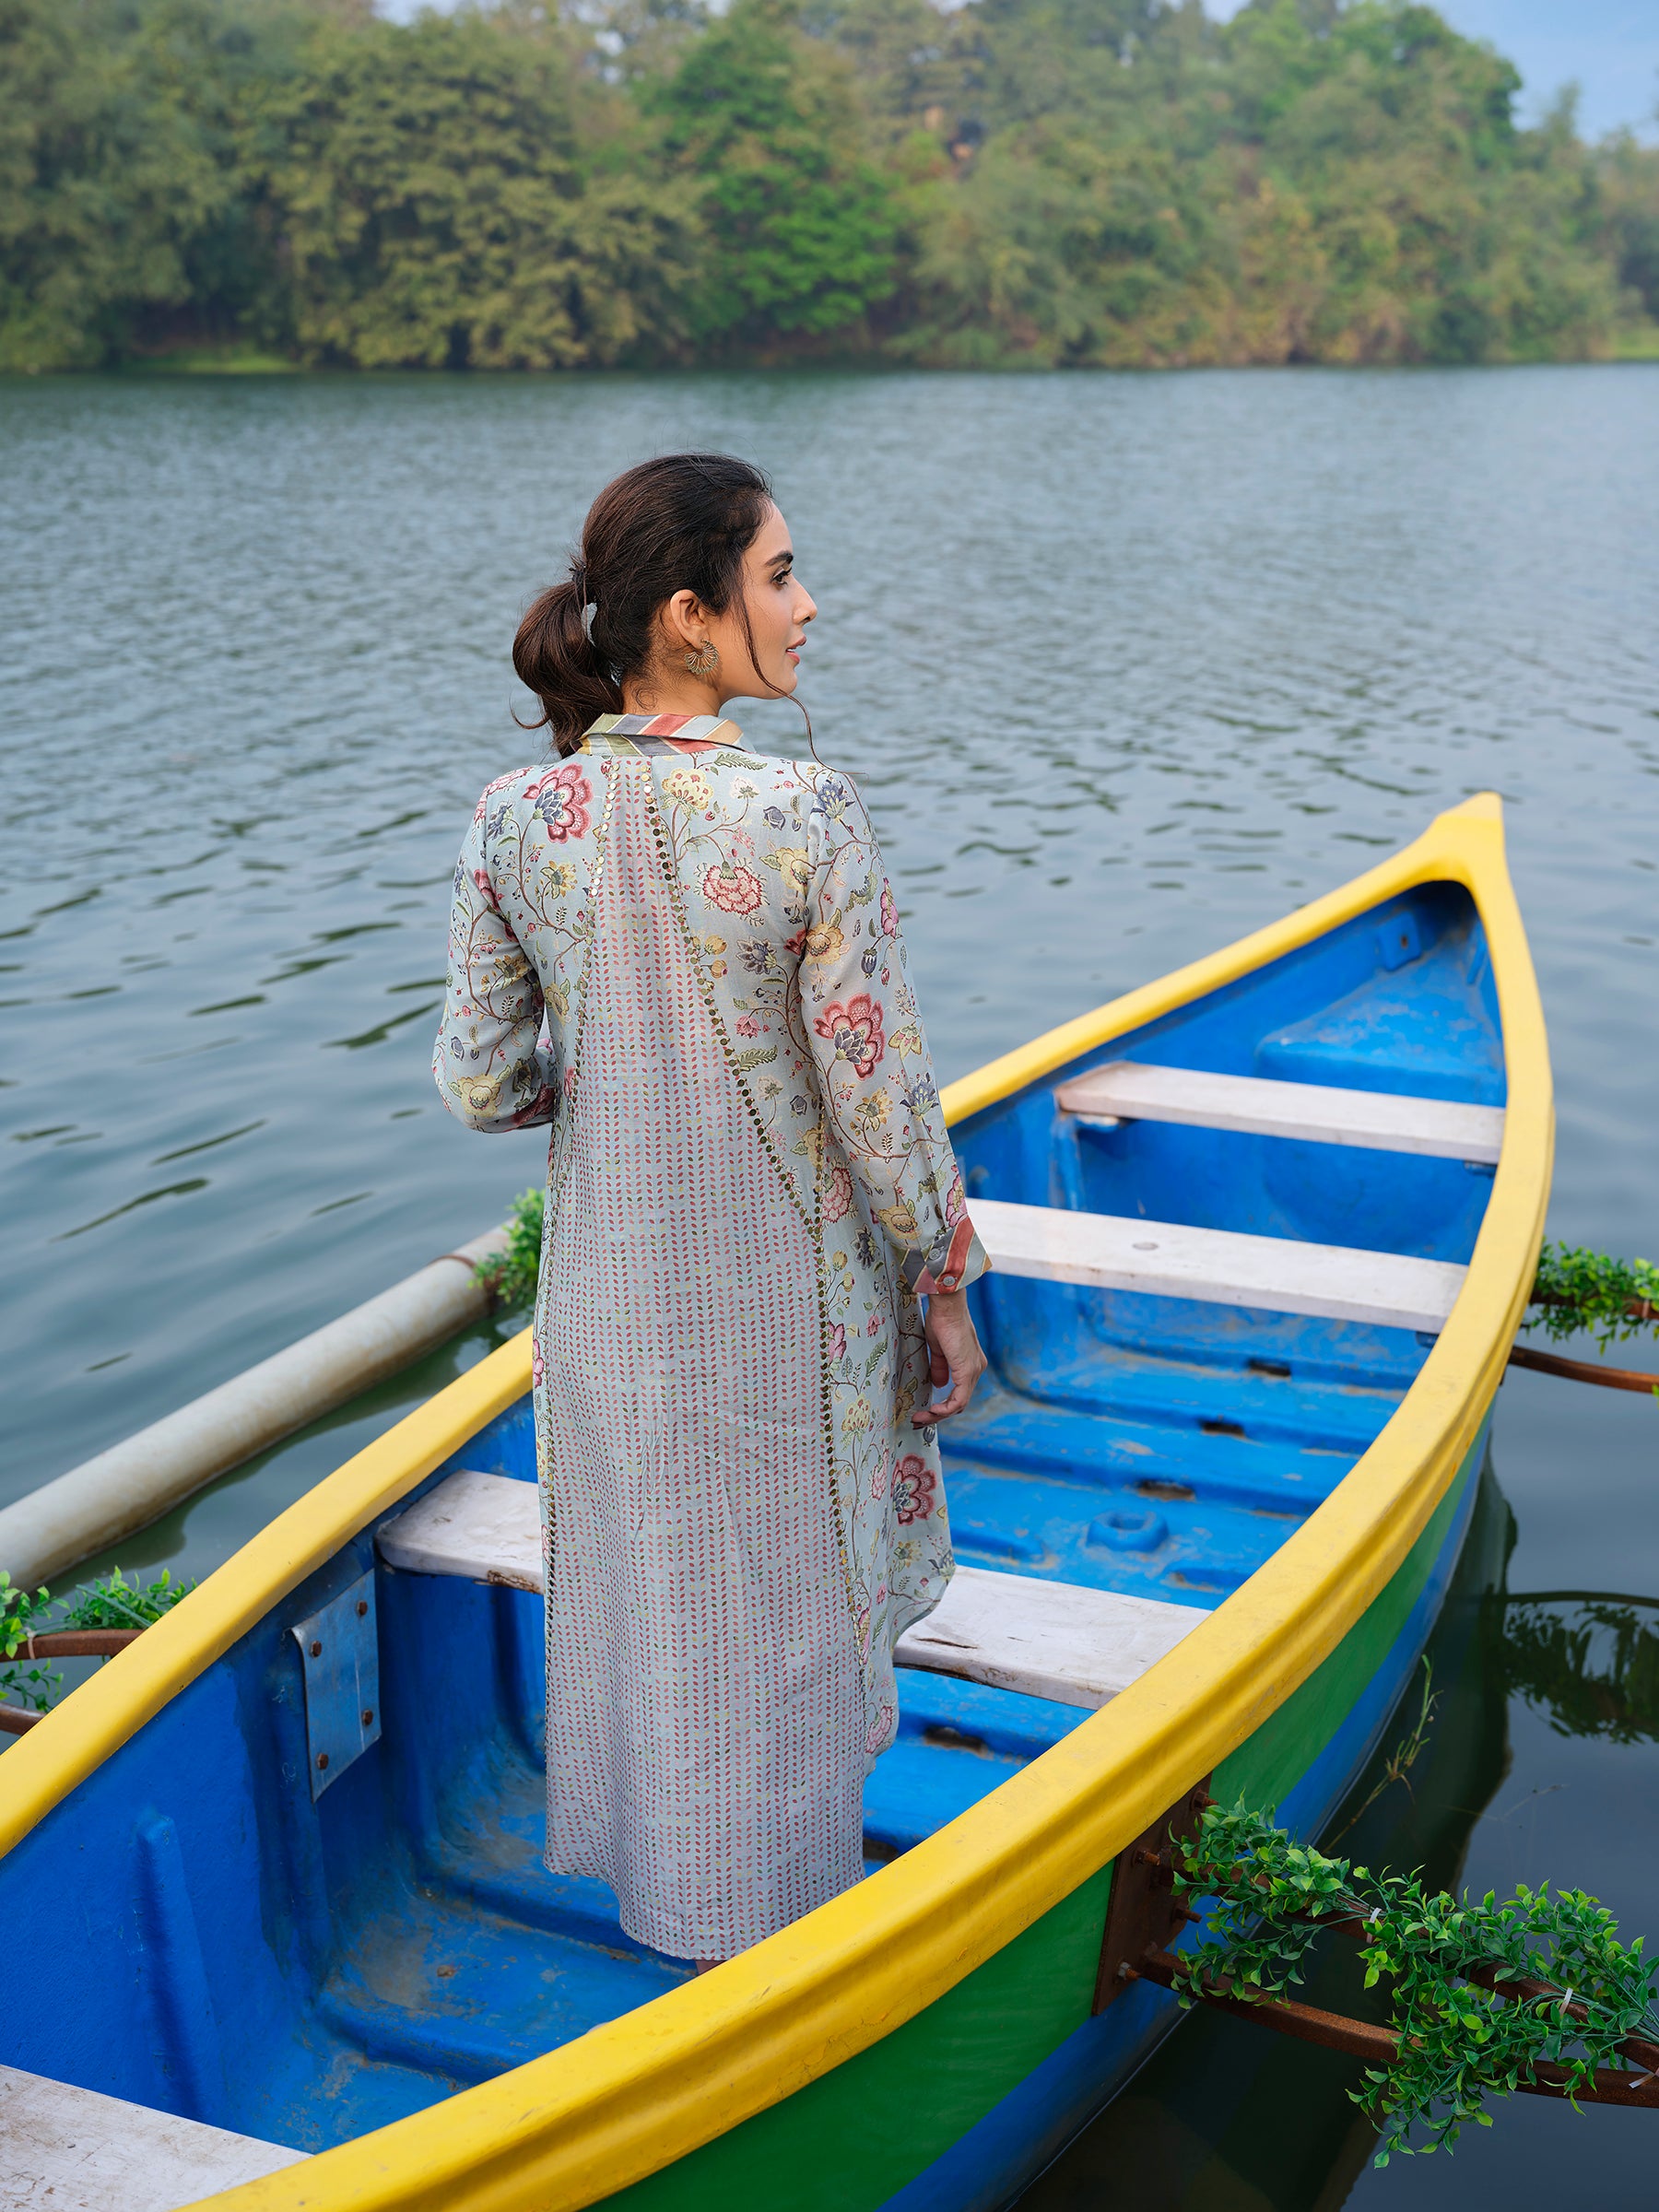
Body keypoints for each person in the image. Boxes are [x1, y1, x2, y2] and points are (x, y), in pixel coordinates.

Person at [433, 453, 987, 1971]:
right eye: (782, 576)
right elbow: (880, 1103)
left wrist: (613, 1082)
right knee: (786, 1618)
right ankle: (777, 1944)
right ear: (691, 614)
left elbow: (482, 1082)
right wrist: (944, 1279)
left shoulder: (516, 817)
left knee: (665, 1606)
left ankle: (680, 1921)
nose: (808, 607)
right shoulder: (806, 810)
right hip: (785, 1303)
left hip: (610, 1304)